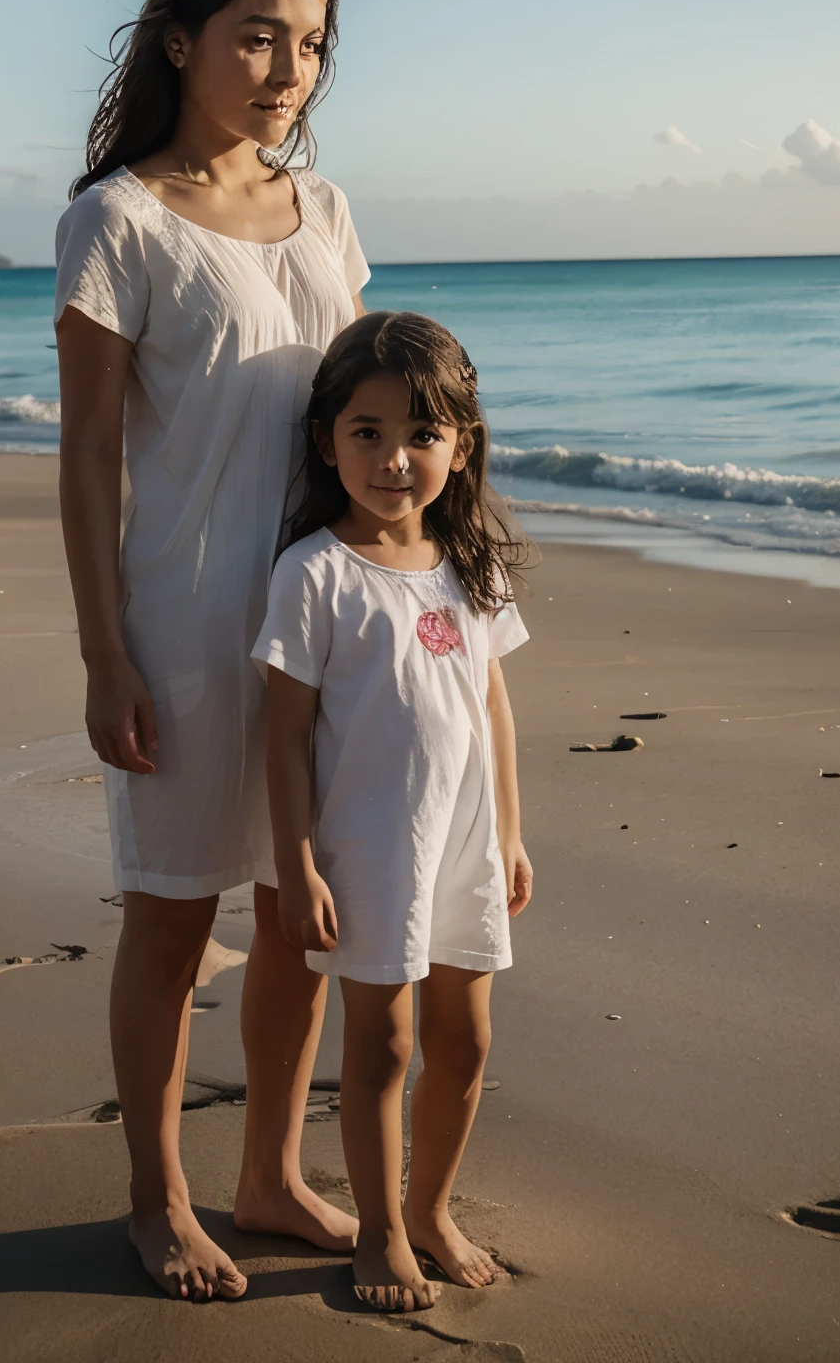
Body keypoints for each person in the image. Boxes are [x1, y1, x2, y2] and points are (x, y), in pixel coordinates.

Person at [53, 0, 369, 1302]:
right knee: (174, 921)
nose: (286, 67)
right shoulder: (115, 221)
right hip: (183, 623)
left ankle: (268, 1175)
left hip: (324, 616)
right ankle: (156, 1196)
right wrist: (103, 654)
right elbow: (87, 458)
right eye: (257, 34)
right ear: (179, 36)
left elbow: (363, 418)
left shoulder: (329, 208)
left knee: (310, 911)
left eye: (307, 42)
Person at [254, 311, 534, 1313]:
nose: (394, 458)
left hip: (462, 844)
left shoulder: (472, 569)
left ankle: (431, 1210)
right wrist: (296, 863)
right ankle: (378, 1233)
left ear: (461, 449)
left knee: (465, 1043)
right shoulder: (314, 574)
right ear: (327, 441)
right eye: (366, 432)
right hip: (371, 850)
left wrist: (507, 831)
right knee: (380, 1046)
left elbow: (492, 705)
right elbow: (283, 734)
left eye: (423, 434)